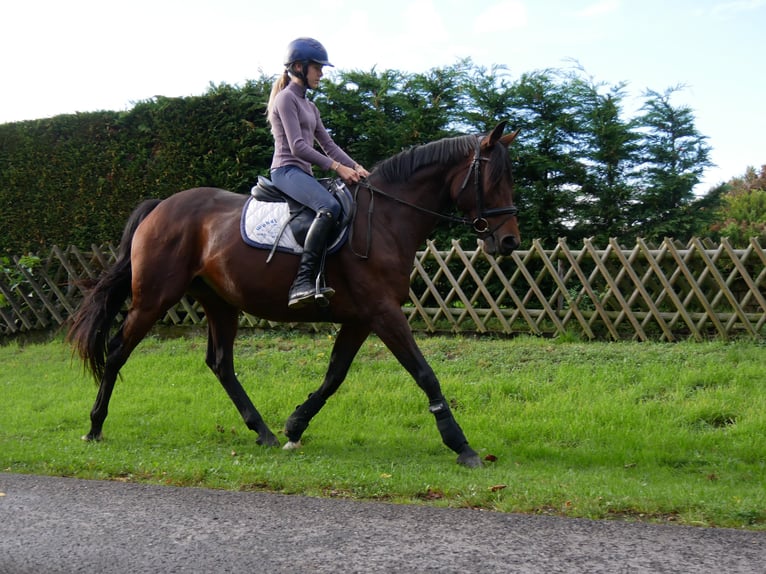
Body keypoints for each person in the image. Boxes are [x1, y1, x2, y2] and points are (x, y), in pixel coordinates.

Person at [267, 37, 370, 309]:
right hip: (285, 170)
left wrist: (357, 166)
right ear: (299, 67)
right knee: (328, 207)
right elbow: (298, 147)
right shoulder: (285, 99)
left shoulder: (310, 106)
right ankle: (301, 283)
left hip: (302, 173)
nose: (321, 74)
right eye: (317, 68)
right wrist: (337, 168)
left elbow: (329, 145)